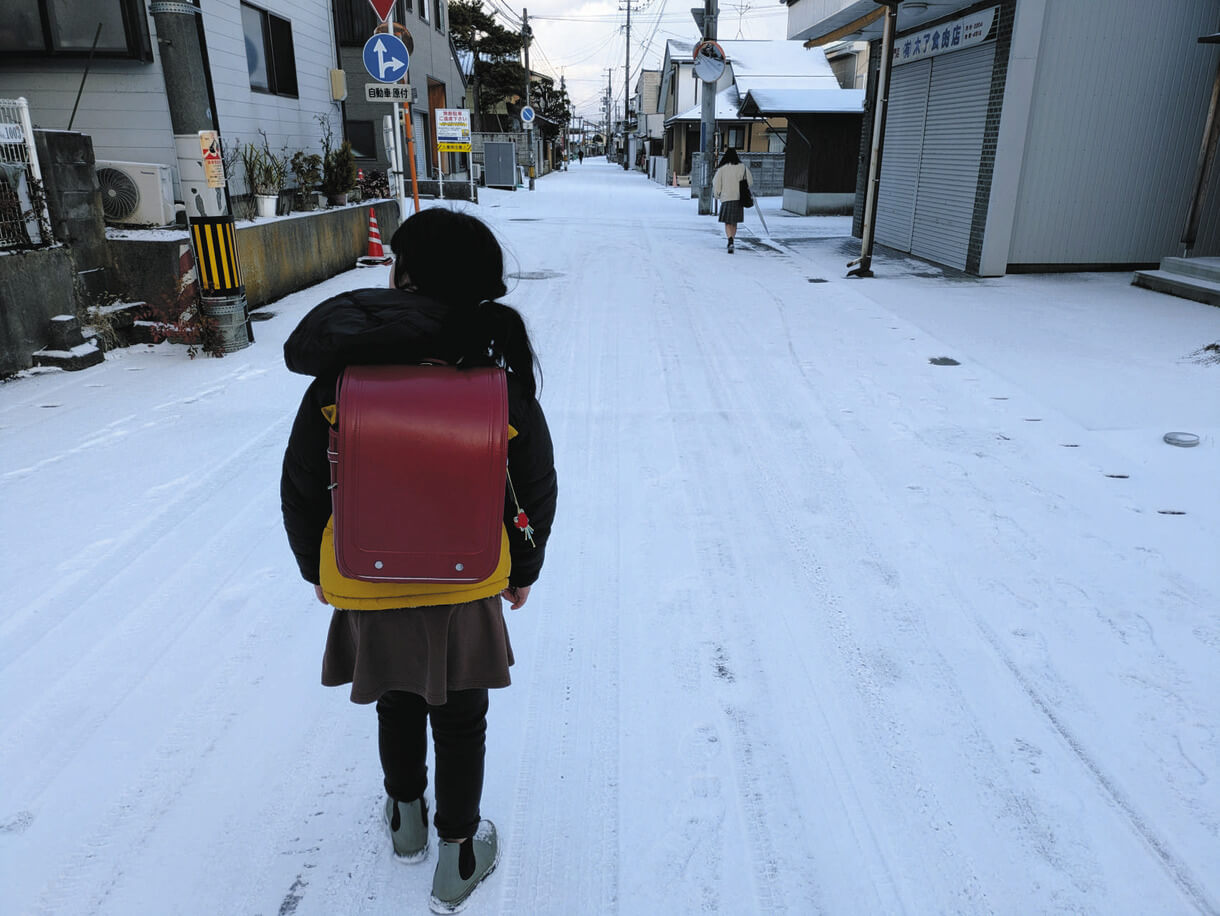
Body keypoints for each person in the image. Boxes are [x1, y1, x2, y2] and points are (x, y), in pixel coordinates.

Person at [280, 208, 558, 914]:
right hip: (466, 582)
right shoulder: (494, 374)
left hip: (369, 574)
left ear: (407, 277)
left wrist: (315, 567)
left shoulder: (345, 374)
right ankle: (458, 854)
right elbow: (531, 483)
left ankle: (405, 817)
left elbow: (304, 480)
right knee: (461, 719)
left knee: (396, 697)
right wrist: (523, 567)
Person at [712, 148, 753, 254]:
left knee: (727, 222)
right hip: (738, 198)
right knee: (734, 222)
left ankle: (729, 239)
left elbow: (716, 183)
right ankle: (732, 240)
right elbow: (750, 182)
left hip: (726, 198)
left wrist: (717, 194)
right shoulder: (742, 167)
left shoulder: (722, 169)